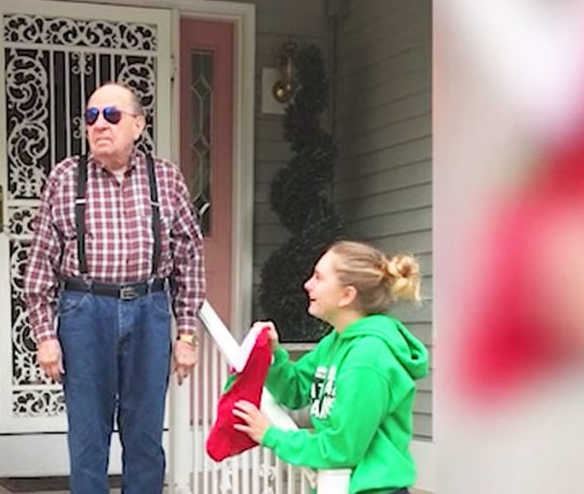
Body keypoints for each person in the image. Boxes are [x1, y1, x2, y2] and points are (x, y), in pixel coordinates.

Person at [23, 82, 206, 493]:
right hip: (85, 310)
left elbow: (189, 260)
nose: (99, 125)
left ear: (138, 124)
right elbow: (39, 268)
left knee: (144, 435)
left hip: (150, 309)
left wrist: (187, 334)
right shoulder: (66, 178)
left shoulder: (167, 178)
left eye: (111, 115)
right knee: (88, 435)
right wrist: (45, 337)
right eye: (91, 117)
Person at [233, 240, 429, 494]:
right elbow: (295, 390)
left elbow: (341, 448)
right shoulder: (335, 341)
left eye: (318, 277)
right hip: (336, 484)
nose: (307, 285)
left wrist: (271, 435)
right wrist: (272, 356)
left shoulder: (368, 359)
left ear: (347, 295)